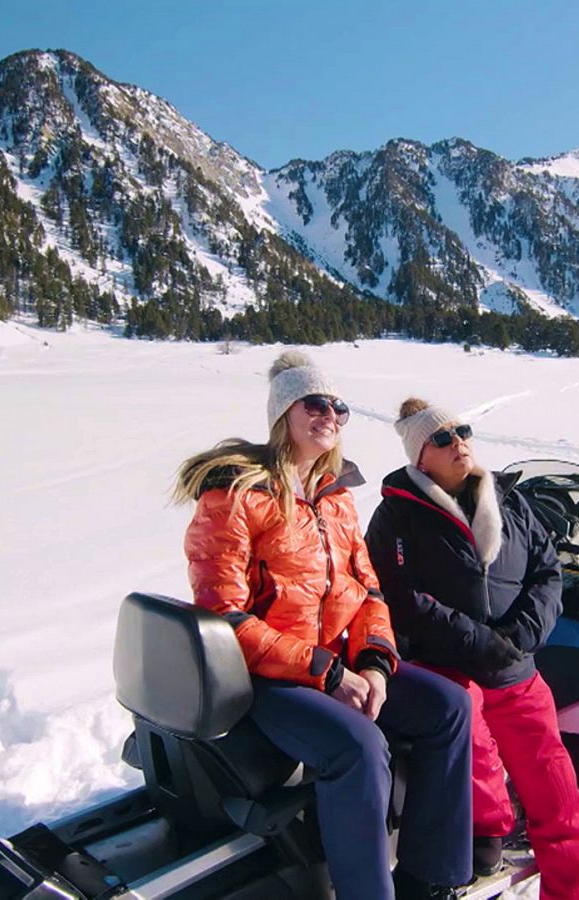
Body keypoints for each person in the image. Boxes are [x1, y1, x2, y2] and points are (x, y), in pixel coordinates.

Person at [173, 353, 474, 900]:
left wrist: (375, 663)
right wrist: (327, 673)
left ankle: (427, 879)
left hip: (341, 663)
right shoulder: (236, 495)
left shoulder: (336, 498)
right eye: (314, 403)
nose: (329, 415)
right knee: (357, 748)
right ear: (283, 412)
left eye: (338, 406)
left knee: (448, 708)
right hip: (267, 678)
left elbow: (368, 593)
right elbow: (224, 614)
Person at [365, 398, 579, 900]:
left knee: (558, 796)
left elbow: (547, 572)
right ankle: (486, 838)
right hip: (447, 670)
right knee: (472, 746)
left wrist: (517, 637)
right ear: (419, 455)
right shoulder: (395, 515)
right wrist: (479, 642)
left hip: (515, 671)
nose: (459, 442)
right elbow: (401, 599)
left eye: (462, 431)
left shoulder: (509, 501)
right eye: (442, 438)